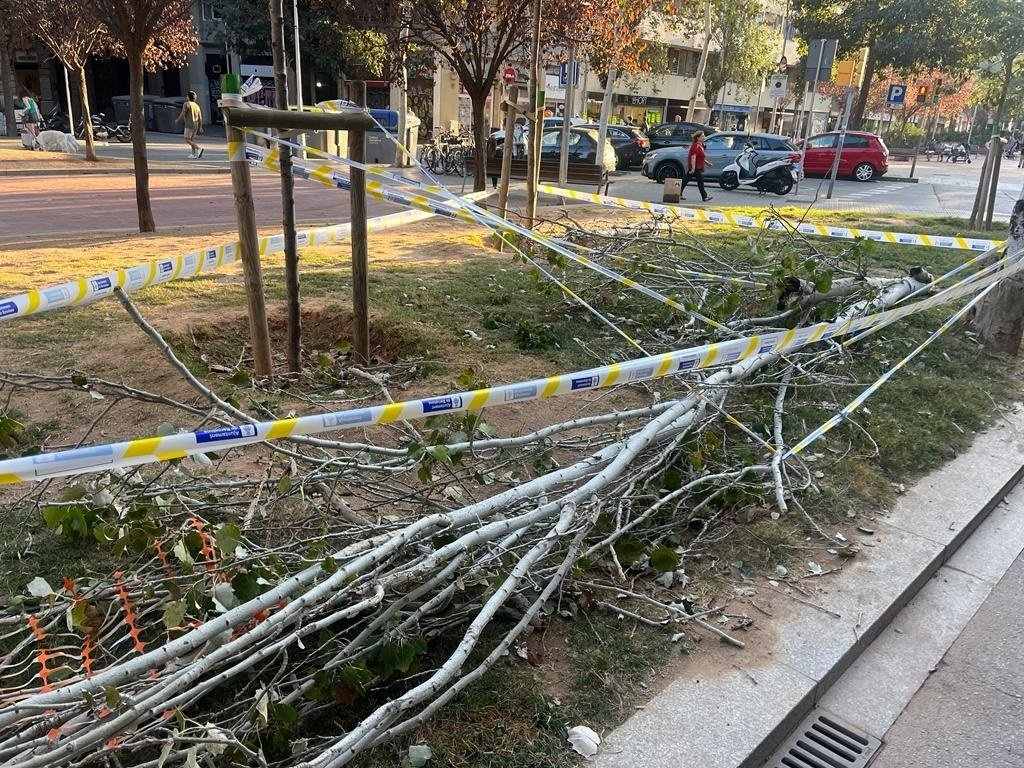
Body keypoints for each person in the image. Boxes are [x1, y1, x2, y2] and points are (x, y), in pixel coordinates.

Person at [681, 131, 712, 202]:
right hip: (696, 167)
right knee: (700, 182)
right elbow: (693, 157)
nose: (704, 137)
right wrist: (693, 168)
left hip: (697, 167)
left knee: (685, 181)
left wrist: (707, 163)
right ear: (698, 138)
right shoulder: (696, 146)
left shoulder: (700, 145)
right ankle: (704, 197)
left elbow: (700, 157)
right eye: (702, 136)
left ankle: (677, 193)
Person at [176, 91, 204, 159]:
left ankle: (198, 148)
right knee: (192, 139)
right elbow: (200, 117)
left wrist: (178, 120)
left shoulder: (186, 104)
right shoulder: (197, 105)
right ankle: (193, 154)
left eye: (187, 96)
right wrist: (200, 127)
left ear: (188, 97)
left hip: (189, 124)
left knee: (187, 139)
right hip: (196, 124)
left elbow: (183, 113)